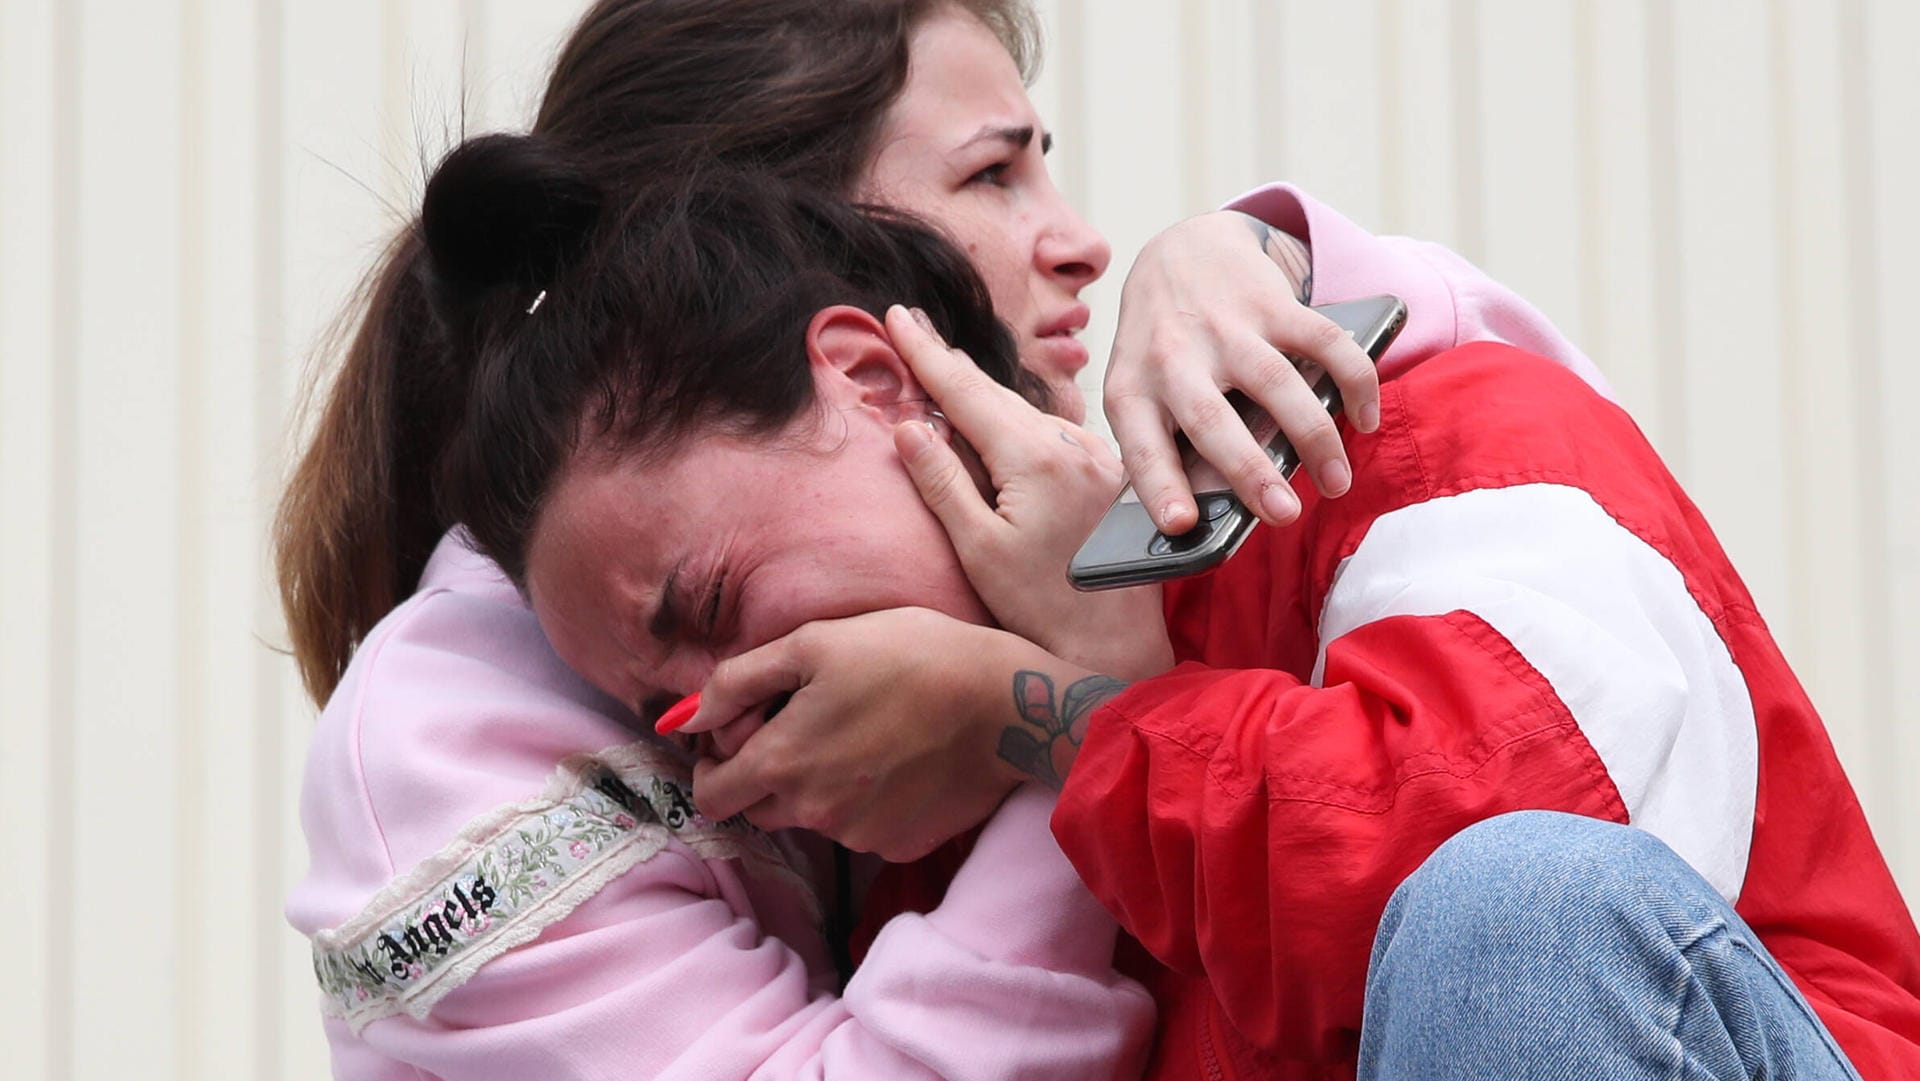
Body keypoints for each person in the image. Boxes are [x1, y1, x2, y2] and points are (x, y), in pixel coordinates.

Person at [277, 0, 1611, 1076]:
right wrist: (1055, 719)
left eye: (1046, 159)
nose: (1084, 243)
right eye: (991, 171)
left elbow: (1539, 926)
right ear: (809, 274)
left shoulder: (1036, 564)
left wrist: (1259, 258)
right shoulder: (458, 729)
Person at [450, 157, 1920, 1077]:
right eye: (667, 709)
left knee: (1507, 912)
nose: (729, 712)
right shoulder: (920, 887)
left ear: (875, 387)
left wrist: (1059, 721)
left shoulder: (1426, 436)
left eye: (712, 605)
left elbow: (1471, 912)